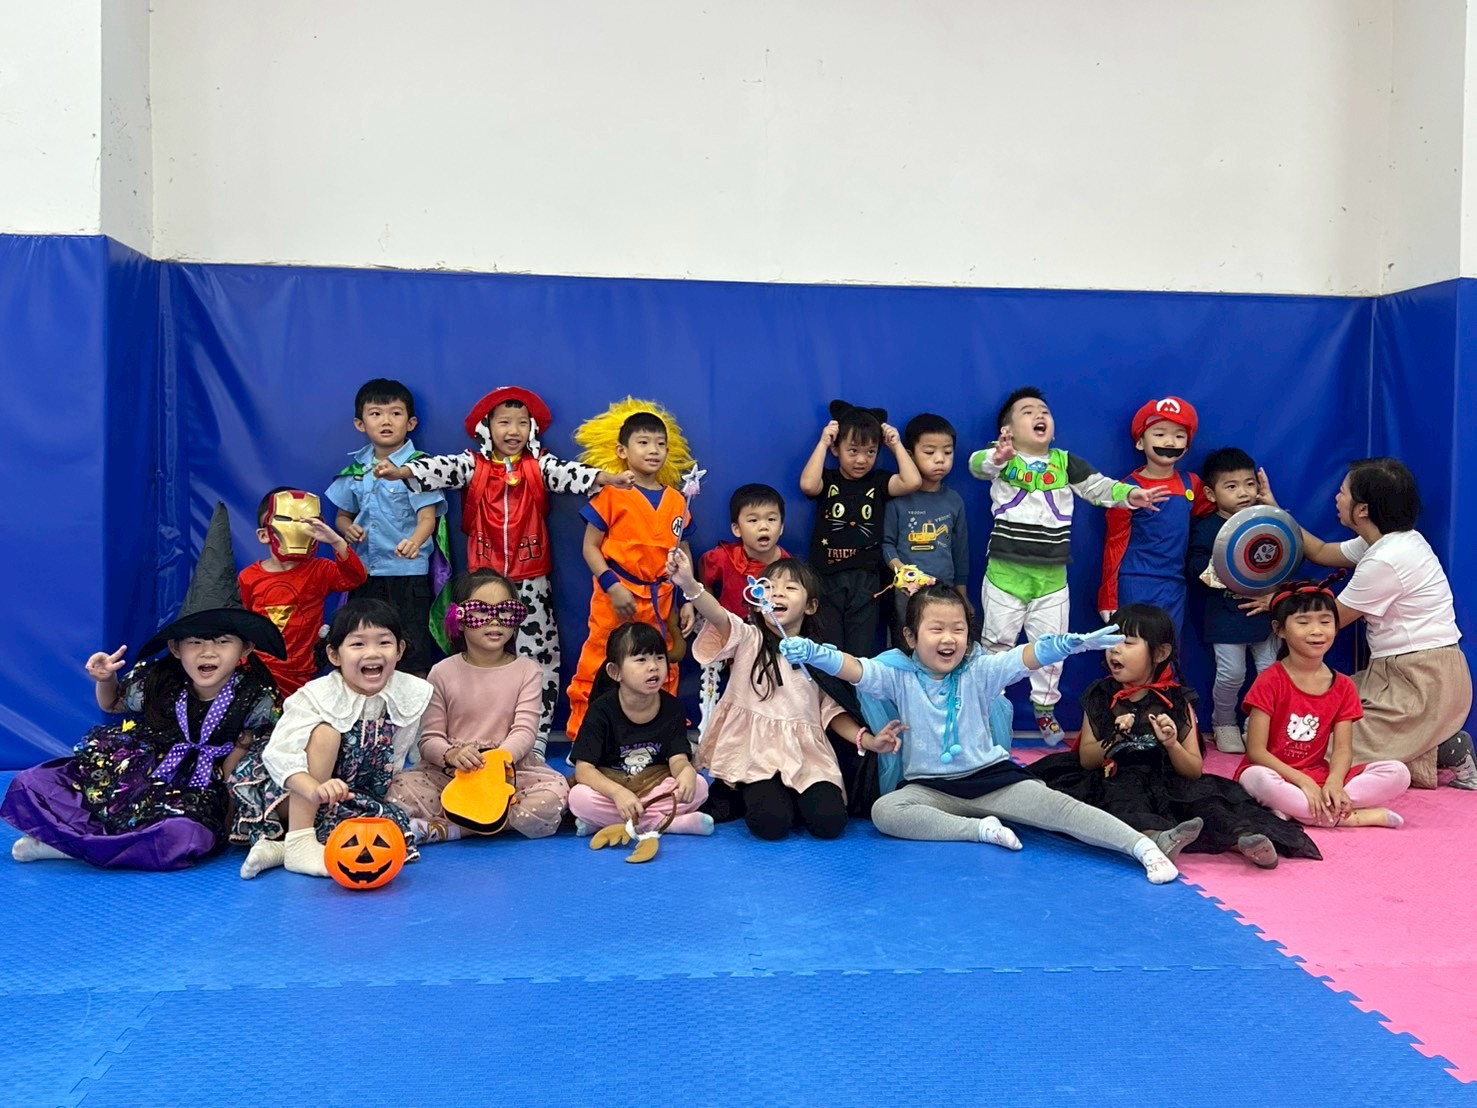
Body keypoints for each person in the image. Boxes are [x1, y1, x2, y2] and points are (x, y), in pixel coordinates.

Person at [778, 586, 1183, 884]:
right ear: (910, 637)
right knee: (887, 811)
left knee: (1064, 810)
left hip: (993, 780)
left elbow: (1024, 657)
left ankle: (1142, 847)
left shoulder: (981, 671)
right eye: (936, 629)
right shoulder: (897, 676)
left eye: (958, 629)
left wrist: (1068, 645)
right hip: (929, 788)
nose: (949, 638)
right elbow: (854, 668)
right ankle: (978, 829)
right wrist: (814, 653)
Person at [2, 504, 283, 869]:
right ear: (176, 649)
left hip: (203, 789)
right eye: (195, 642)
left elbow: (244, 756)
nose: (208, 651)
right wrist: (106, 679)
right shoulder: (160, 680)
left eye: (222, 642)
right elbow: (112, 705)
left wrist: (230, 815)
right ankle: (81, 842)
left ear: (244, 649)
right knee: (34, 783)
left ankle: (64, 847)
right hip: (144, 772)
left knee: (187, 837)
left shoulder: (254, 695)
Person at [375, 385, 633, 757]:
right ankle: (472, 734)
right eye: (504, 422)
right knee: (476, 654)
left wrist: (604, 478)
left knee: (539, 655)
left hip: (531, 578)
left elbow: (567, 473)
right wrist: (402, 471)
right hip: (483, 583)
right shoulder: (473, 465)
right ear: (487, 428)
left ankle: (536, 739)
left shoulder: (538, 465)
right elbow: (442, 468)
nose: (513, 430)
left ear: (532, 429)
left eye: (522, 423)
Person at [1032, 603, 1320, 869]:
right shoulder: (1101, 694)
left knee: (1207, 804)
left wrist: (1171, 744)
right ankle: (1156, 839)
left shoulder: (1176, 700)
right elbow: (1086, 759)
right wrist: (1116, 737)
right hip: (1114, 777)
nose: (1115, 650)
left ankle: (1244, 840)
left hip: (1167, 780)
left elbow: (1193, 770)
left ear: (1160, 653)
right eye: (1111, 642)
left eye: (1127, 643)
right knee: (1123, 799)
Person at [1259, 458, 1474, 789]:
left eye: (1343, 492)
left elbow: (1329, 622)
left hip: (1422, 681)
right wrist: (1276, 514)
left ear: (1361, 510)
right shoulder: (1388, 540)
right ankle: (1431, 741)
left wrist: (1276, 603)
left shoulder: (1387, 559)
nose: (1337, 497)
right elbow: (1320, 551)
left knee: (1317, 745)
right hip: (1396, 674)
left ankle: (1445, 748)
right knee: (1314, 718)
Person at [970, 387, 1167, 744]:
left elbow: (1099, 488)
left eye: (1044, 411)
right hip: (1004, 576)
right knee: (995, 647)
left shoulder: (1065, 463)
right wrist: (997, 456)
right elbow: (977, 466)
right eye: (1028, 411)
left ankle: (1045, 710)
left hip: (1052, 580)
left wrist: (1130, 495)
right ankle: (991, 712)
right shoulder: (1002, 458)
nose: (1039, 415)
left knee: (1052, 649)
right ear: (1007, 430)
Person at [671, 549, 889, 840]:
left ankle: (782, 794)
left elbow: (833, 713)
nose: (777, 593)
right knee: (770, 825)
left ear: (810, 606)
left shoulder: (819, 656)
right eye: (769, 587)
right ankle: (745, 790)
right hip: (757, 754)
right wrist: (689, 584)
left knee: (830, 824)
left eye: (790, 587)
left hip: (806, 756)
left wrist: (869, 740)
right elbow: (718, 616)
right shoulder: (748, 638)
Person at [233, 599, 433, 879]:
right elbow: (279, 754)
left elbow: (406, 752)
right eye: (358, 644)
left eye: (384, 643)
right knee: (325, 734)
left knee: (384, 827)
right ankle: (300, 839)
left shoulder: (410, 691)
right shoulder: (318, 695)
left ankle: (279, 850)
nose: (372, 652)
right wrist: (314, 789)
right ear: (334, 654)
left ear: (399, 650)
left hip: (345, 796)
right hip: (289, 791)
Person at [385, 570, 569, 842]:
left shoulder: (527, 670)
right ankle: (484, 817)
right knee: (400, 789)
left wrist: (498, 760)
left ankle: (453, 828)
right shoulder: (441, 672)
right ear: (458, 620)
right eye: (481, 611)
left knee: (554, 794)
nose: (494, 620)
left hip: (509, 770)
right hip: (452, 772)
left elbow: (525, 731)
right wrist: (451, 755)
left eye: (505, 611)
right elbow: (430, 738)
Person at [564, 402, 698, 740]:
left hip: (661, 597)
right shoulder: (611, 495)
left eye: (661, 443)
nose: (654, 450)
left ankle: (661, 734)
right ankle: (586, 734)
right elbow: (590, 547)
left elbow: (682, 550)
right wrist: (612, 586)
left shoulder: (677, 500)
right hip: (618, 596)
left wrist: (688, 598)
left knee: (659, 661)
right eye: (644, 442)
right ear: (622, 451)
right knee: (602, 656)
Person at [1236, 580, 1411, 827]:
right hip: (1276, 773)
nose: (1317, 631)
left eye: (1325, 622)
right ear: (1279, 629)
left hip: (1319, 775)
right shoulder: (1269, 680)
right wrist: (1302, 781)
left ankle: (1300, 810)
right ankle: (1352, 818)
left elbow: (1342, 750)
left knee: (1398, 773)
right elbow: (1256, 751)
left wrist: (1334, 783)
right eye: (1303, 622)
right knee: (1255, 778)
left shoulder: (1344, 686)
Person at [326, 378, 448, 677]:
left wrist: (415, 541)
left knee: (412, 647)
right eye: (375, 413)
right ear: (360, 424)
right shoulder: (355, 470)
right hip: (365, 573)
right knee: (364, 642)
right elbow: (342, 516)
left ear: (411, 423)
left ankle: (414, 703)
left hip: (408, 573)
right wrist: (347, 529)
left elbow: (428, 519)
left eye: (395, 413)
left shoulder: (420, 468)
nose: (386, 421)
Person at [567, 623, 712, 838]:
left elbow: (678, 759)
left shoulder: (672, 707)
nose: (653, 666)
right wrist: (618, 793)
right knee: (579, 798)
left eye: (659, 658)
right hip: (613, 787)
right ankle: (665, 822)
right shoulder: (601, 710)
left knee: (699, 786)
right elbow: (584, 770)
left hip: (654, 784)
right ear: (615, 671)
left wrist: (686, 772)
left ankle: (610, 823)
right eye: (641, 660)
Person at [800, 399, 922, 655]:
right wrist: (823, 443)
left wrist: (895, 445)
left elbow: (912, 481)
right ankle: (829, 685)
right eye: (853, 451)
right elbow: (808, 485)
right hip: (826, 577)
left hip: (867, 579)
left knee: (861, 650)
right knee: (828, 648)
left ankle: (857, 684)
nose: (861, 460)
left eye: (870, 452)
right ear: (837, 449)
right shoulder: (828, 479)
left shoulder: (878, 482)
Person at [1185, 447, 1281, 752]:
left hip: (1265, 615)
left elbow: (1289, 554)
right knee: (1232, 674)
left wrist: (1275, 591)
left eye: (1249, 484)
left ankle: (1257, 724)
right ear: (1210, 494)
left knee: (1269, 672)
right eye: (1232, 486)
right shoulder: (1207, 528)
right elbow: (1195, 566)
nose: (1243, 492)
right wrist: (1229, 572)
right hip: (1225, 616)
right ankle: (1224, 722)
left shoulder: (1268, 520)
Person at [1098, 397, 1214, 638]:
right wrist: (1108, 596)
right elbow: (1114, 543)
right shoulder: (1126, 489)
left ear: (1187, 446)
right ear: (1140, 442)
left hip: (1174, 585)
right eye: (1159, 434)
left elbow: (1216, 516)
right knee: (1133, 647)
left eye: (1179, 436)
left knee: (1168, 649)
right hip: (1134, 582)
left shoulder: (1191, 484)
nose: (1169, 442)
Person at [239, 487, 368, 698]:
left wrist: (336, 541)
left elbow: (355, 577)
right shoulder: (249, 577)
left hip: (303, 673)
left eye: (306, 522)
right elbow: (242, 623)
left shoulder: (320, 570)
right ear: (264, 534)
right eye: (285, 520)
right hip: (259, 670)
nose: (295, 529)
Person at [882, 413, 972, 642]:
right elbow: (886, 543)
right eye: (929, 452)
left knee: (940, 643)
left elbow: (960, 551)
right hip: (906, 593)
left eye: (947, 452)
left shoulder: (954, 501)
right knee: (906, 644)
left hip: (944, 591)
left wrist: (962, 594)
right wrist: (902, 571)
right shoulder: (897, 500)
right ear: (910, 455)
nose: (940, 459)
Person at [698, 483, 792, 619]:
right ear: (737, 529)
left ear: (781, 527)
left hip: (769, 626)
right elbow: (704, 565)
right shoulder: (724, 557)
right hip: (728, 624)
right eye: (753, 520)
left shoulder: (788, 567)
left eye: (771, 519)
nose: (764, 526)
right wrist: (711, 605)